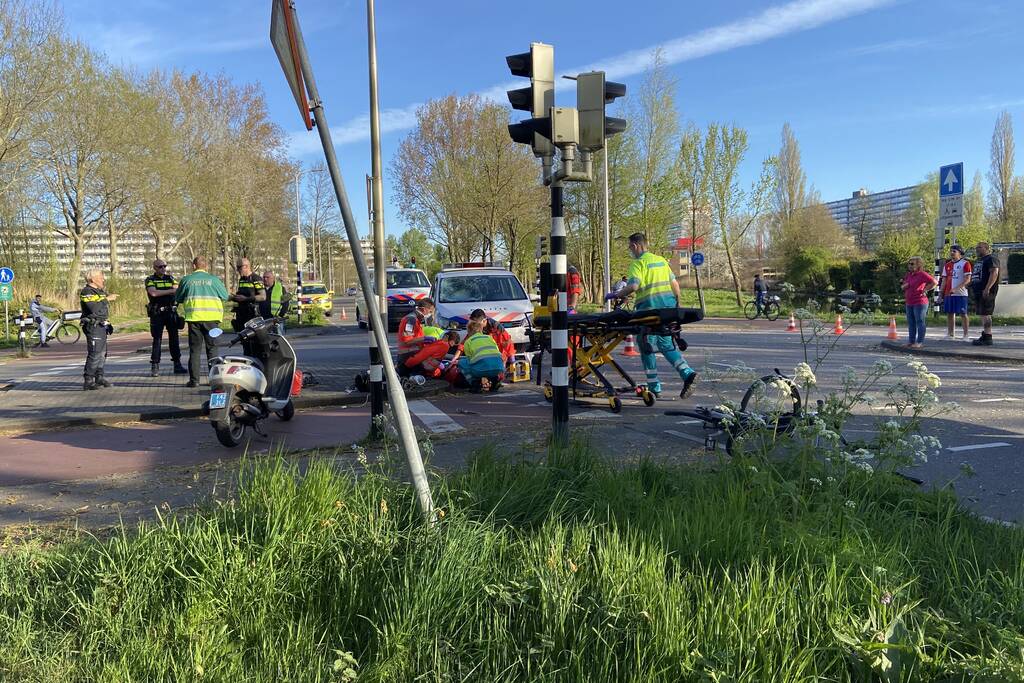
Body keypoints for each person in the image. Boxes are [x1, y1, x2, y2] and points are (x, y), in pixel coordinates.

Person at [610, 232, 697, 399]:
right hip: (667, 311)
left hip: (648, 312)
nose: (630, 250)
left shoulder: (639, 263)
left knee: (645, 346)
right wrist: (676, 307)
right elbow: (675, 286)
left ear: (635, 246)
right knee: (666, 345)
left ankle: (654, 386)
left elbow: (634, 286)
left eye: (630, 247)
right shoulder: (661, 261)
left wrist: (617, 294)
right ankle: (687, 373)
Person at [175, 256, 229, 388]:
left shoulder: (186, 280)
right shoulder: (214, 280)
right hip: (212, 320)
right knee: (212, 350)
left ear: (194, 266)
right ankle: (214, 380)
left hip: (194, 320)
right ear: (206, 266)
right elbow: (225, 296)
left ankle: (194, 380)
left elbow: (179, 298)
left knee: (195, 351)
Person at [145, 259, 187, 377]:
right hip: (157, 313)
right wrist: (170, 291)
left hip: (171, 312)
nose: (163, 268)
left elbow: (177, 290)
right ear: (154, 268)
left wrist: (167, 291)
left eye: (164, 266)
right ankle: (155, 366)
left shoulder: (170, 278)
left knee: (174, 339)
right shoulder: (150, 280)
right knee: (157, 340)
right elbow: (153, 293)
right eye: (160, 267)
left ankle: (177, 364)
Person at [79, 270, 118, 390]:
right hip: (93, 326)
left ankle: (99, 377)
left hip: (101, 325)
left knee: (102, 353)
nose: (103, 279)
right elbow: (93, 308)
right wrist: (107, 299)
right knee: (95, 353)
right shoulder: (87, 292)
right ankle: (88, 380)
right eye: (101, 277)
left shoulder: (99, 291)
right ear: (93, 279)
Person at [458, 319, 505, 391]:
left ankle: (475, 384)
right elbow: (496, 353)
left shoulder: (469, 341)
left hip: (480, 370)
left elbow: (469, 360)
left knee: (462, 362)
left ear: (469, 331)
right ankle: (495, 380)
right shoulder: (489, 338)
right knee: (490, 363)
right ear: (481, 329)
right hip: (498, 368)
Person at [901, 256, 937, 349]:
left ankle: (920, 342)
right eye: (909, 263)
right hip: (909, 301)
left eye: (912, 264)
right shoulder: (909, 275)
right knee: (911, 322)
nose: (909, 265)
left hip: (920, 302)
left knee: (920, 321)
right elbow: (903, 286)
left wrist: (925, 289)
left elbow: (934, 282)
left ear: (918, 264)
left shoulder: (922, 274)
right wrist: (906, 285)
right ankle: (911, 341)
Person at [971, 241, 1000, 346]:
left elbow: (994, 272)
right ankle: (985, 334)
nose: (977, 249)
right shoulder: (980, 260)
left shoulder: (991, 259)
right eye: (976, 247)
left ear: (986, 248)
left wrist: (987, 288)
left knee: (986, 313)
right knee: (982, 314)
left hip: (986, 291)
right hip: (978, 290)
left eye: (980, 247)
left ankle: (988, 336)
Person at [396, 298, 435, 375]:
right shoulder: (411, 320)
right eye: (430, 311)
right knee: (411, 379)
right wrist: (425, 339)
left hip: (413, 354)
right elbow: (407, 340)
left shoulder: (416, 319)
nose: (430, 314)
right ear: (424, 309)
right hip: (408, 355)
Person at [940, 245, 972, 339]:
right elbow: (944, 280)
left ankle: (966, 334)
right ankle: (950, 334)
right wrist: (941, 293)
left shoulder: (965, 263)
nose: (952, 253)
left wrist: (956, 288)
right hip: (948, 293)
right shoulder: (947, 265)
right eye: (951, 251)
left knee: (963, 313)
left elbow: (967, 279)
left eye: (954, 251)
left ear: (960, 253)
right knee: (950, 313)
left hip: (960, 293)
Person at [230, 258, 266, 332]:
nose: (238, 270)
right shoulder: (242, 279)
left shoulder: (256, 278)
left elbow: (263, 297)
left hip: (252, 314)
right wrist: (234, 297)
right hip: (242, 313)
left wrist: (245, 299)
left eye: (239, 267)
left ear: (246, 266)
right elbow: (242, 294)